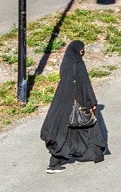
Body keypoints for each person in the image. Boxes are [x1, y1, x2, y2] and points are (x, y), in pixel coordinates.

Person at [40, 40, 109, 173]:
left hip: (62, 101)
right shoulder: (77, 64)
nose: (83, 53)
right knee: (87, 128)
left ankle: (61, 160)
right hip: (76, 102)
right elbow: (83, 84)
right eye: (82, 50)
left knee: (65, 131)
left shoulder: (67, 62)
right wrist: (91, 102)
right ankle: (54, 164)